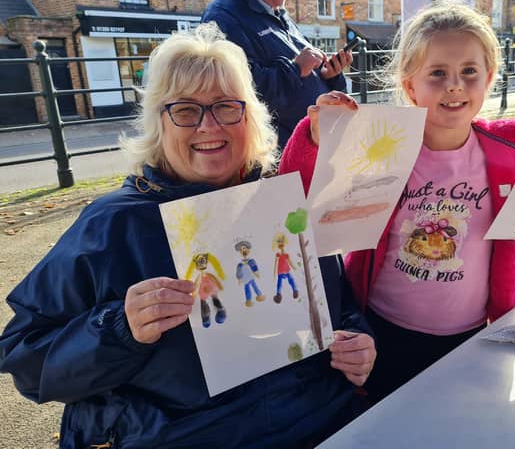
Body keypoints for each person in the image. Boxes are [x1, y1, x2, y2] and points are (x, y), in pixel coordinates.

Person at [0, 24, 376, 449]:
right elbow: (27, 359)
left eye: (224, 107)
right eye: (185, 110)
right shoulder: (112, 226)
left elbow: (335, 301)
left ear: (249, 116)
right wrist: (118, 329)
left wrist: (358, 341)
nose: (208, 126)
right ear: (159, 123)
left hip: (317, 416)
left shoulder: (283, 201)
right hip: (181, 434)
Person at [278, 2, 515, 404]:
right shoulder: (379, 147)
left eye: (469, 71)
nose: (455, 85)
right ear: (410, 85)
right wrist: (315, 137)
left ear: (489, 79)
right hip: (381, 330)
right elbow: (296, 205)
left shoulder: (513, 144)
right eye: (438, 73)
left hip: (473, 333)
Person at [202, 0, 353, 149]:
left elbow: (301, 80)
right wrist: (295, 70)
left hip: (311, 152)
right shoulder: (222, 17)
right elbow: (232, 95)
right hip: (278, 164)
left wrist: (327, 75)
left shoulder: (279, 15)